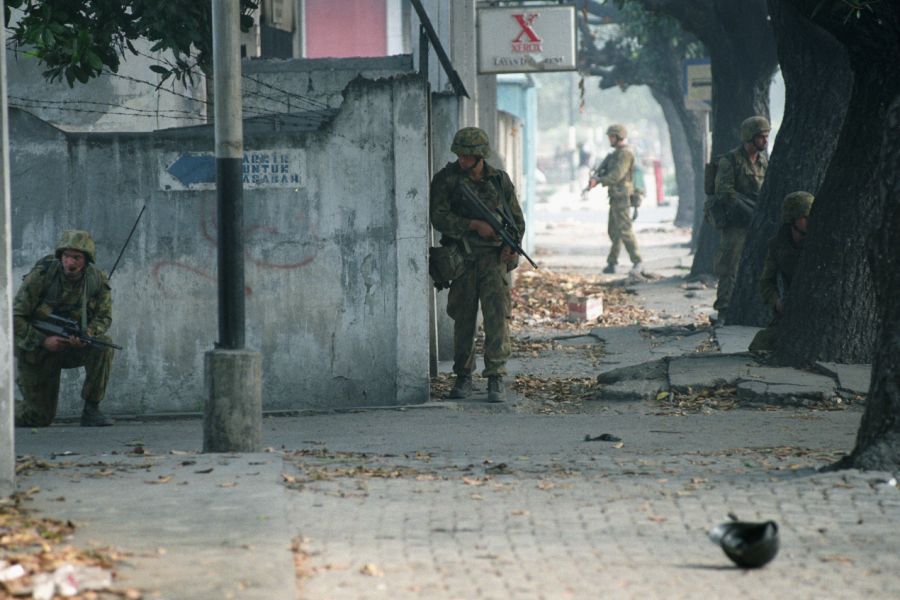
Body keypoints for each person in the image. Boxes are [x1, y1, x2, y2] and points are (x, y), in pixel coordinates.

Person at [430, 127, 525, 403]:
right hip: (463, 258)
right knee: (464, 319)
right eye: (458, 154)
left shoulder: (499, 180)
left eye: (467, 155)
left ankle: (495, 377)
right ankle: (463, 376)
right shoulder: (446, 179)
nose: (461, 159)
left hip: (494, 261)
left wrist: (510, 246)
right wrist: (473, 225)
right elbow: (439, 217)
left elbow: (516, 221)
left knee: (497, 320)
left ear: (480, 156)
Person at [13, 230, 116, 427]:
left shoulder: (97, 280)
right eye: (66, 256)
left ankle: (91, 409)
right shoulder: (41, 276)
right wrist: (43, 340)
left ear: (86, 259)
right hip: (37, 348)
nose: (70, 262)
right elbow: (14, 317)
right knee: (38, 418)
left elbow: (104, 317)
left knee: (104, 346)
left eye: (77, 257)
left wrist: (87, 334)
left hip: (70, 346)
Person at [712, 116, 770, 321]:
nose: (765, 140)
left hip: (757, 223)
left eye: (766, 136)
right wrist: (745, 208)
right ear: (749, 137)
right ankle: (724, 311)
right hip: (736, 224)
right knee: (729, 267)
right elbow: (723, 191)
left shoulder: (764, 162)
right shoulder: (731, 161)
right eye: (761, 137)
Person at [748, 192, 813, 353]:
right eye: (804, 217)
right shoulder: (777, 245)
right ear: (792, 220)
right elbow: (766, 283)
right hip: (787, 311)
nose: (809, 220)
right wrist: (777, 302)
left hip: (813, 310)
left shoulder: (817, 242)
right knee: (762, 344)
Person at [587, 124, 643, 274]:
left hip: (622, 196)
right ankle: (612, 262)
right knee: (614, 231)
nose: (609, 139)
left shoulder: (625, 153)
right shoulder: (616, 153)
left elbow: (617, 175)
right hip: (615, 196)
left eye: (612, 136)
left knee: (624, 230)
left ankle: (638, 261)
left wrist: (598, 181)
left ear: (619, 137)